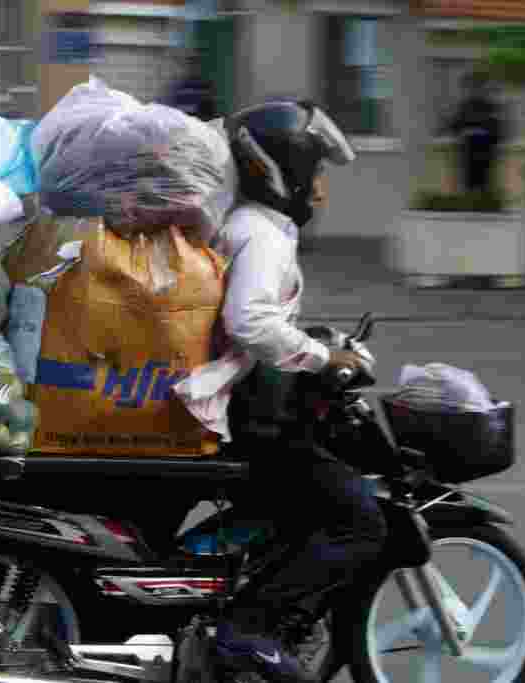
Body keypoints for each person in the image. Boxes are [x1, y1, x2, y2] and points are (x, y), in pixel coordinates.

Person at [174, 98, 387, 683]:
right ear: (283, 171)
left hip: (245, 403)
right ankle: (250, 627)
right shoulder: (262, 235)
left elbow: (257, 317)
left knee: (293, 511)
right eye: (315, 174)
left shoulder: (251, 227)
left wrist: (316, 337)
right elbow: (250, 323)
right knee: (360, 520)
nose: (320, 191)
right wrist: (322, 356)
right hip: (255, 417)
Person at [445, 71, 506, 194]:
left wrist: (479, 130)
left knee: (485, 188)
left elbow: (498, 131)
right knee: (467, 188)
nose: (474, 90)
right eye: (471, 86)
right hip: (467, 154)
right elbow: (454, 127)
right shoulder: (463, 107)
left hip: (485, 154)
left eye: (478, 86)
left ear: (483, 88)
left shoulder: (491, 107)